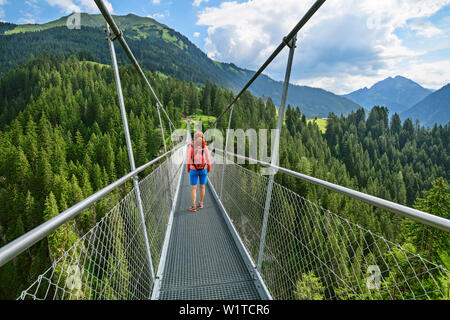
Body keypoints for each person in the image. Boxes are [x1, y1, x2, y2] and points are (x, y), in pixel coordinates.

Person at [187, 131, 211, 212]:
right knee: (202, 187)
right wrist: (208, 168)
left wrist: (188, 168)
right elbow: (208, 159)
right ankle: (200, 203)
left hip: (193, 169)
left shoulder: (191, 146)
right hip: (203, 169)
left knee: (193, 188)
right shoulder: (205, 146)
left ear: (194, 138)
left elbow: (188, 159)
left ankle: (193, 206)